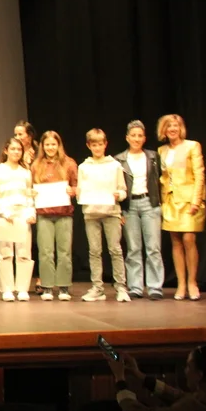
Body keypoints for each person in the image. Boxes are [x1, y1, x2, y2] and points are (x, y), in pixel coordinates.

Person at [157, 114, 206, 300]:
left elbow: (199, 175)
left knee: (188, 239)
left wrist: (196, 201)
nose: (172, 129)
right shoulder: (162, 150)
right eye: (169, 126)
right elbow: (162, 178)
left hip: (189, 199)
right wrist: (162, 201)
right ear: (164, 130)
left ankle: (192, 282)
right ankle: (181, 284)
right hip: (170, 201)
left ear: (181, 128)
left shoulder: (192, 146)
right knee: (176, 241)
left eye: (175, 125)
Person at [113, 121, 164, 300]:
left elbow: (160, 179)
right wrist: (119, 211)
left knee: (153, 248)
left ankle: (155, 287)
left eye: (140, 136)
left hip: (149, 203)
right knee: (133, 248)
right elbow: (116, 185)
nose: (136, 139)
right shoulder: (119, 159)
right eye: (133, 135)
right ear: (127, 138)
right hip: (130, 205)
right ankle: (135, 286)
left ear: (144, 138)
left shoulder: (152, 157)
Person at [78, 129, 129, 302]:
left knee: (115, 249)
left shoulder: (114, 165)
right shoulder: (83, 167)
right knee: (94, 251)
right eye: (94, 145)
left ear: (105, 144)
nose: (97, 148)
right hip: (91, 213)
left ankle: (121, 287)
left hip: (111, 212)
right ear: (88, 146)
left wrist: (119, 195)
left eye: (100, 144)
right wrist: (78, 194)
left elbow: (123, 190)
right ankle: (97, 288)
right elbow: (80, 191)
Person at [31, 131, 78, 301]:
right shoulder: (36, 165)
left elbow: (76, 186)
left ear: (59, 145)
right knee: (45, 251)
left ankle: (64, 287)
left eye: (53, 144)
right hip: (44, 214)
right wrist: (32, 193)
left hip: (64, 213)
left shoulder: (69, 163)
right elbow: (31, 187)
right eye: (47, 145)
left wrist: (73, 191)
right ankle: (47, 287)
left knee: (64, 251)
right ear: (42, 146)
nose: (50, 148)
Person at [0, 138, 35, 302]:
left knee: (24, 253)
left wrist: (31, 212)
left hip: (22, 214)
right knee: (5, 254)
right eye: (13, 149)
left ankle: (22, 289)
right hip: (4, 215)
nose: (16, 152)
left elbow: (29, 195)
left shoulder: (25, 172)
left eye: (19, 149)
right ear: (6, 150)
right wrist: (3, 211)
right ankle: (7, 289)